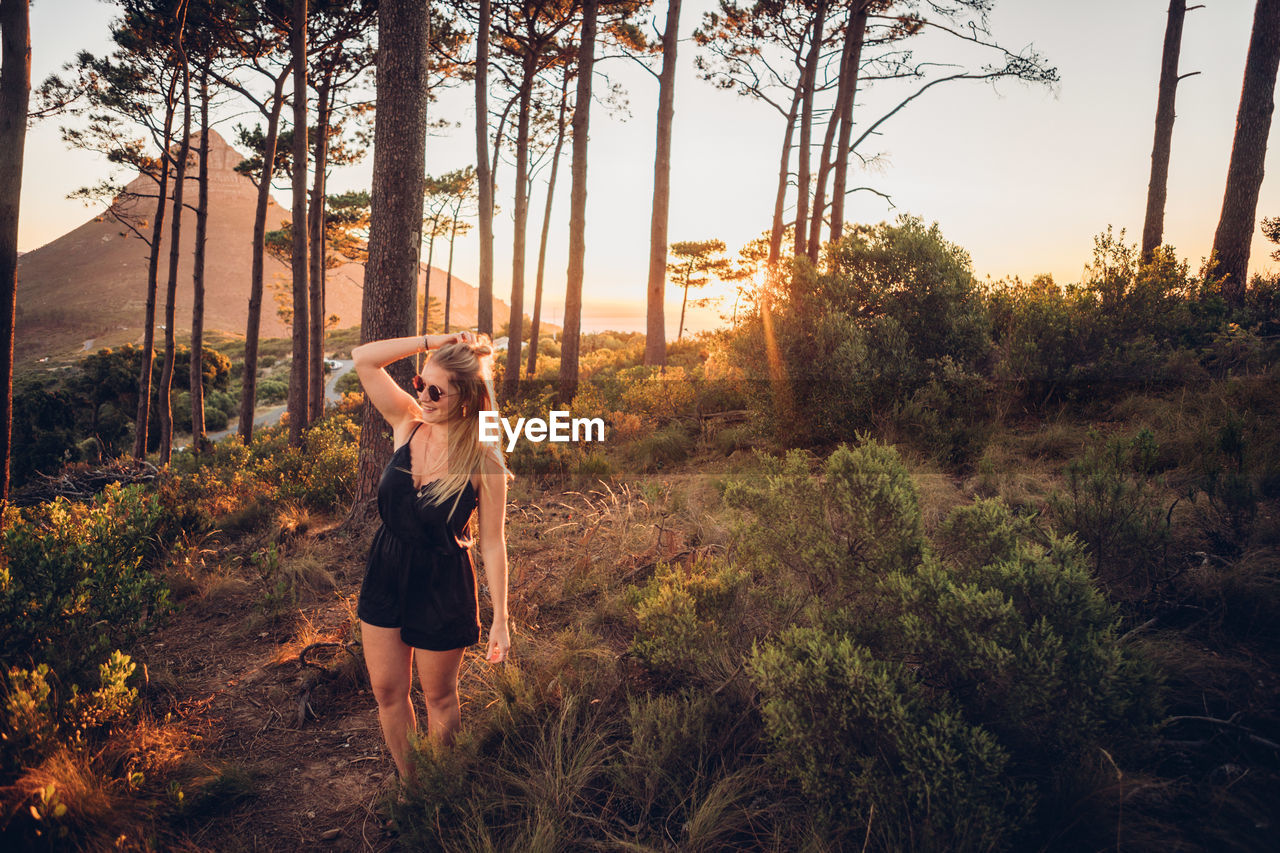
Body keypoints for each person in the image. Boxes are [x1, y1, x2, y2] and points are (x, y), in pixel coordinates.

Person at [351, 329, 511, 777]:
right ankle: (411, 783)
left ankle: (441, 786)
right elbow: (364, 358)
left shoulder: (484, 459)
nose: (423, 394)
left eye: (436, 389)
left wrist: (501, 618)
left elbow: (494, 543)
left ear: (467, 397)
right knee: (387, 691)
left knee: (439, 697)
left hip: (443, 582)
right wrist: (432, 341)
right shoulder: (407, 422)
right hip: (386, 571)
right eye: (421, 383)